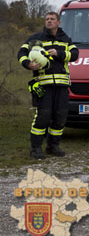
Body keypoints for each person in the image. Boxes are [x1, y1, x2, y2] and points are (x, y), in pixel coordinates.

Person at [17, 12, 79, 159]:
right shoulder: (35, 39)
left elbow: (75, 54)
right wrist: (28, 64)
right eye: (47, 19)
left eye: (52, 19)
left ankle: (53, 146)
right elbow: (21, 53)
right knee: (43, 116)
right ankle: (35, 149)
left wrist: (59, 53)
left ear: (58, 22)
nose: (49, 21)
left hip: (62, 85)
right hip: (43, 85)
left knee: (60, 117)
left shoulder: (65, 39)